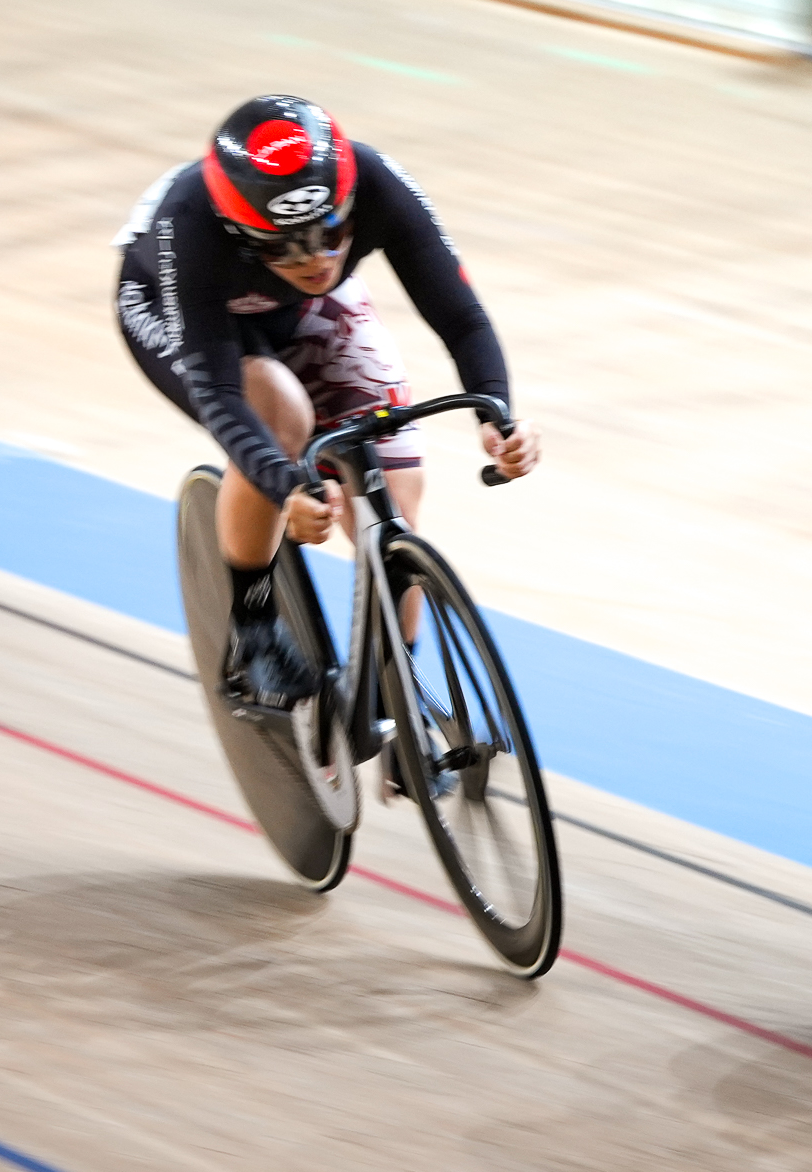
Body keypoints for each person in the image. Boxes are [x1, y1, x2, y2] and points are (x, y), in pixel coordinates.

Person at [114, 93, 538, 712]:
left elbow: (462, 316)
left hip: (288, 307)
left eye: (330, 233)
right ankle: (253, 625)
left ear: (348, 202)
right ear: (242, 233)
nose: (315, 258)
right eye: (284, 245)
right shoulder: (191, 223)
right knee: (280, 416)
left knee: (391, 498)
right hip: (173, 308)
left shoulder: (375, 180)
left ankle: (399, 690)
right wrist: (286, 483)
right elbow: (222, 396)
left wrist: (496, 412)